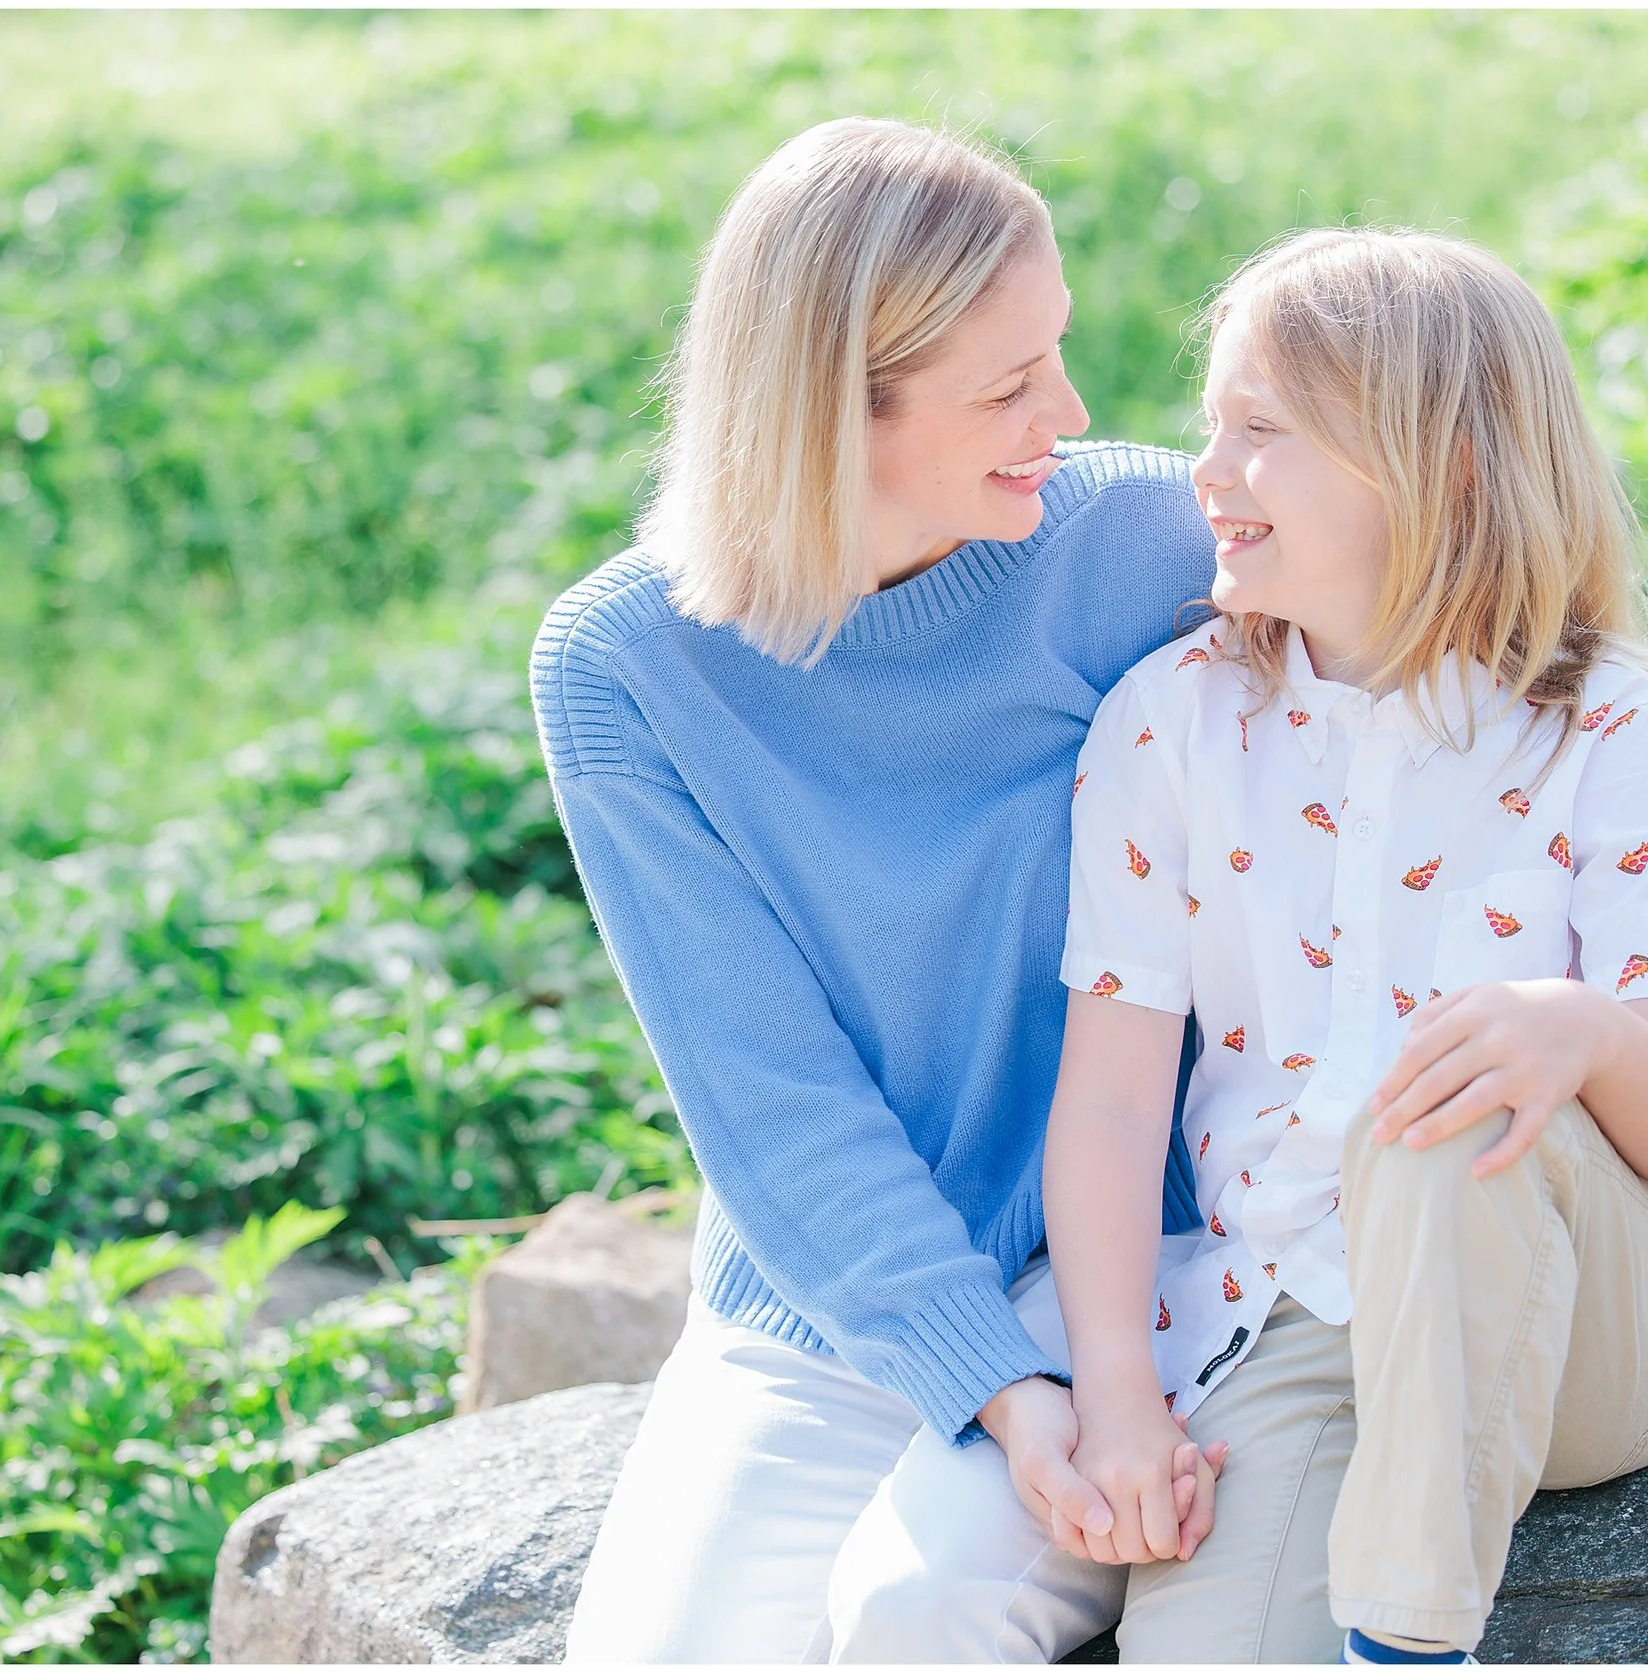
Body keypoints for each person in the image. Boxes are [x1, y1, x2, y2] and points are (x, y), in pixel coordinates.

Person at [840, 225, 1648, 1663]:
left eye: (1258, 433)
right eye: (1214, 424)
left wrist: (1574, 1033)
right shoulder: (1169, 725)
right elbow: (1112, 1101)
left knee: (1440, 1106)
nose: (1204, 471)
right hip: (1293, 1319)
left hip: (1603, 1317)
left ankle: (1405, 1638)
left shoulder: (1605, 723)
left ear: (1441, 465)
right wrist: (1127, 1397)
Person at [530, 118, 1227, 1662]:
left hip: (1135, 1260)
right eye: (1008, 385)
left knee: (911, 1625)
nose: (1072, 409)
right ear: (831, 408)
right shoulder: (625, 671)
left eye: (1055, 354)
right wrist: (984, 1383)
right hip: (838, 1300)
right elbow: (768, 1095)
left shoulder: (1151, 543)